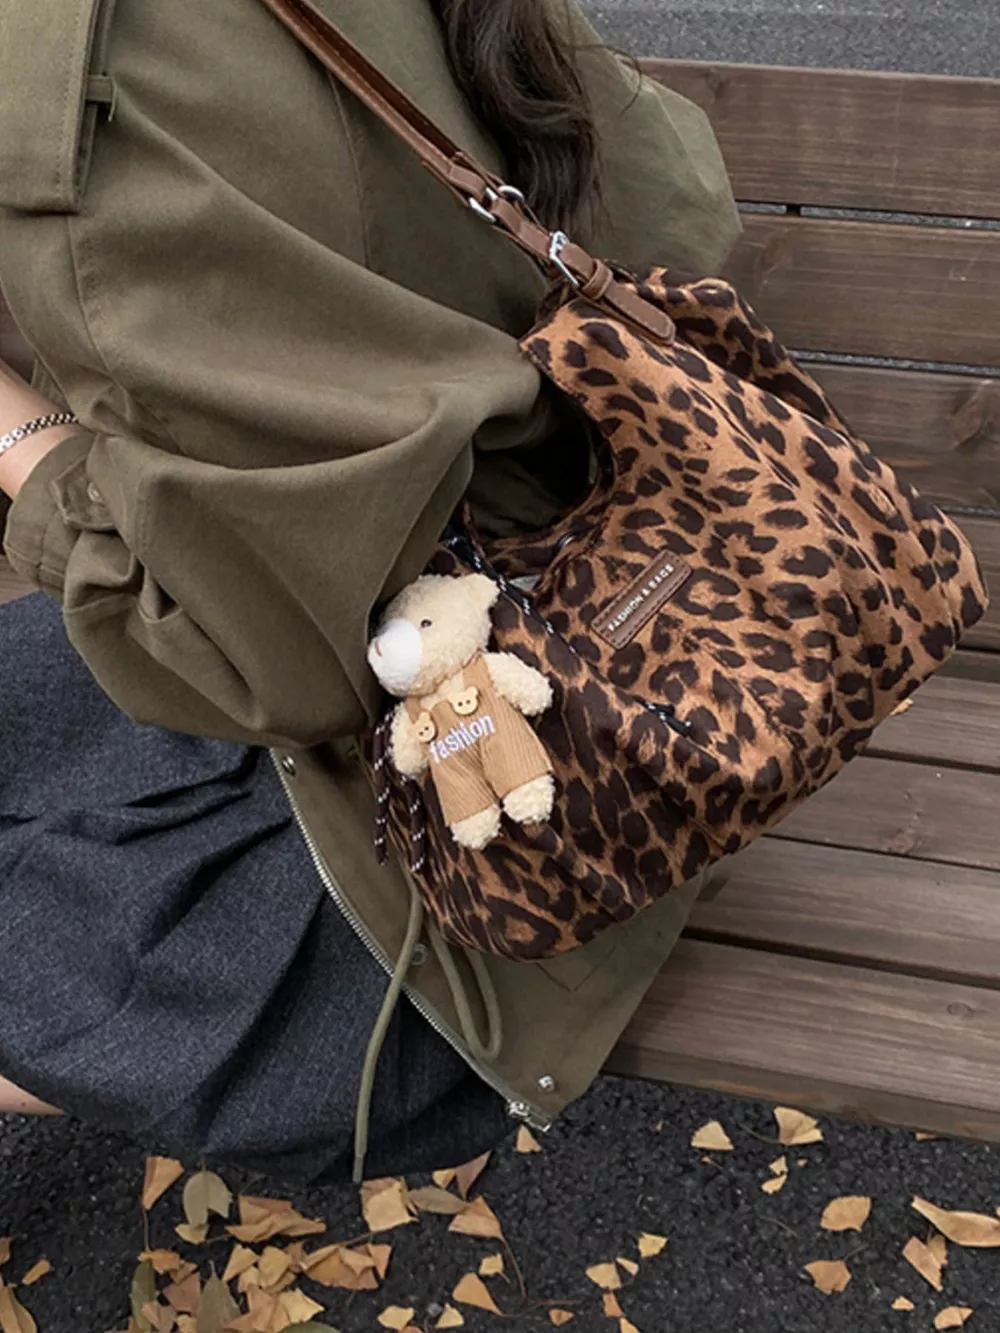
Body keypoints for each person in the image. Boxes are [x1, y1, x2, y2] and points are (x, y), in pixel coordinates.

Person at [0, 0, 741, 1187]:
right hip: (668, 642)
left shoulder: (80, 88)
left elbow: (268, 657)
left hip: (472, 873)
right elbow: (678, 209)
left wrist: (18, 431)